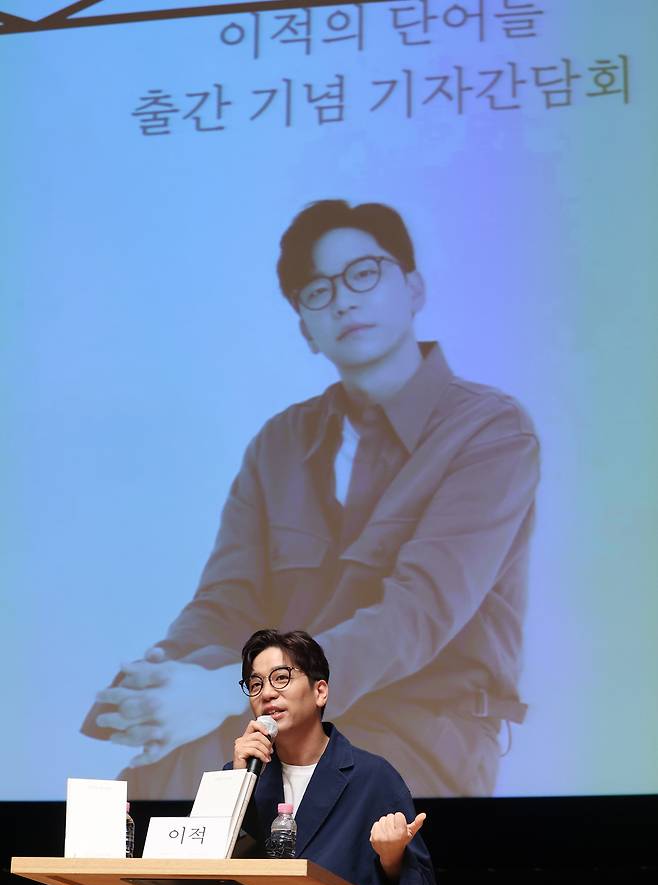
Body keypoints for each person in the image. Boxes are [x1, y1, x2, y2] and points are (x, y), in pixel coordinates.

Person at [81, 198, 540, 797]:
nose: (344, 298)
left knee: (268, 802)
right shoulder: (280, 443)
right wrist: (163, 684)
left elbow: (415, 614)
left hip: (418, 729)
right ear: (305, 326)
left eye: (364, 274)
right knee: (136, 800)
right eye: (318, 291)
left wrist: (226, 693)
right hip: (273, 726)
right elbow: (225, 601)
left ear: (414, 288)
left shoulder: (490, 431)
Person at [190, 628, 436, 885]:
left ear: (320, 691)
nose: (267, 693)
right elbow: (195, 860)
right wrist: (238, 782)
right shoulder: (240, 773)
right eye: (255, 684)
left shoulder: (372, 777)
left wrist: (392, 858)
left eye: (281, 678)